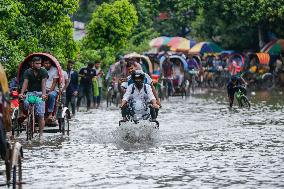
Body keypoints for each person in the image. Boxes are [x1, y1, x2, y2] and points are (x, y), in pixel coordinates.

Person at [19, 56, 48, 141]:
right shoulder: (28, 72)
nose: (39, 65)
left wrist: (43, 94)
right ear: (32, 64)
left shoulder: (43, 71)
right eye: (37, 63)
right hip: (31, 93)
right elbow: (25, 83)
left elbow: (43, 84)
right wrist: (21, 93)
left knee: (40, 115)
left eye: (40, 63)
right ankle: (29, 117)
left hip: (39, 94)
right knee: (27, 103)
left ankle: (41, 135)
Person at [43, 58, 59, 122]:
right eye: (46, 63)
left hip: (53, 90)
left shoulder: (55, 70)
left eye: (49, 63)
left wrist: (49, 92)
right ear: (43, 64)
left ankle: (50, 113)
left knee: (51, 95)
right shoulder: (41, 69)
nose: (47, 65)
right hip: (43, 89)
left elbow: (54, 82)